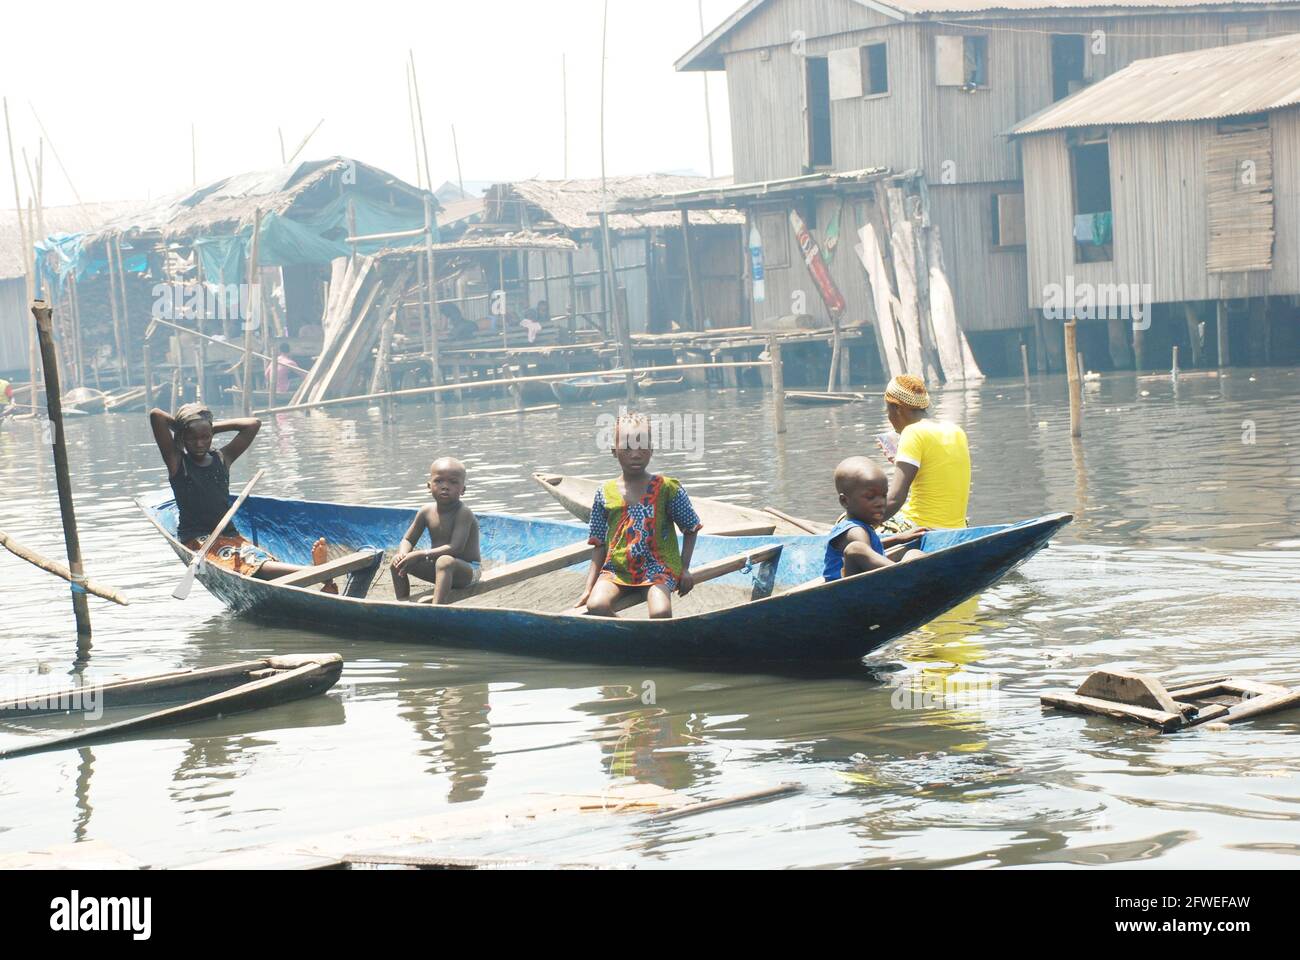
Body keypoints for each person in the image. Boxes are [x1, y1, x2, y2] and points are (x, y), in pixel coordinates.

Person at [149, 403, 330, 585]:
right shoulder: (178, 464)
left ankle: (319, 576)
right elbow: (156, 415)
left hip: (229, 535)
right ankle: (317, 572)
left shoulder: (222, 458)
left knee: (258, 560)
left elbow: (253, 424)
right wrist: (185, 427)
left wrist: (208, 426)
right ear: (182, 438)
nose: (199, 443)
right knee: (253, 564)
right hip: (198, 539)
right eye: (192, 438)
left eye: (205, 437)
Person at [575, 413, 701, 619]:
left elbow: (691, 528)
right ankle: (631, 635)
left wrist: (685, 569)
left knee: (661, 612)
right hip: (618, 569)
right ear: (614, 451)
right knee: (596, 605)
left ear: (651, 449)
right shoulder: (604, 492)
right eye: (627, 448)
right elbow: (599, 544)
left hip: (658, 567)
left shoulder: (667, 488)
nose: (635, 454)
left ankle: (647, 637)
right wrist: (589, 587)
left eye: (642, 447)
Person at [876, 374, 971, 534]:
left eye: (888, 409)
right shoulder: (956, 430)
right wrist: (899, 462)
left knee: (848, 519)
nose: (888, 416)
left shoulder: (911, 432)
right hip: (957, 528)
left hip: (921, 527)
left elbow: (895, 500)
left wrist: (860, 524)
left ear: (897, 409)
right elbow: (938, 475)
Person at [390, 457, 482, 604]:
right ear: (429, 486)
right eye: (439, 481)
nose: (445, 486)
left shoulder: (463, 513)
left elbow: (456, 548)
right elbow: (408, 540)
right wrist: (403, 554)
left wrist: (422, 554)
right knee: (397, 561)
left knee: (444, 561)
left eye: (453, 482)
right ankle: (402, 604)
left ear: (463, 490)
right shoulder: (426, 511)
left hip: (467, 571)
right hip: (440, 568)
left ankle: (437, 609)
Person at [824, 457, 926, 581]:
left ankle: (906, 575)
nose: (880, 503)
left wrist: (897, 539)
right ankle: (905, 575)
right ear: (845, 501)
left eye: (883, 496)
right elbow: (863, 550)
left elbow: (871, 548)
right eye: (870, 497)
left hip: (868, 582)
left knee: (914, 554)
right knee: (855, 549)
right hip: (848, 590)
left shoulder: (862, 528)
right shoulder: (855, 531)